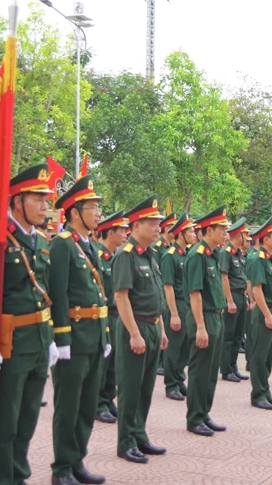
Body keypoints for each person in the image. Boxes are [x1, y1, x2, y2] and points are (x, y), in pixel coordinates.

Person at [0, 164, 59, 485]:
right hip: (6, 345)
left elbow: (44, 293)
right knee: (4, 426)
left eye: (47, 200)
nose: (46, 207)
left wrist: (50, 338)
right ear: (17, 201)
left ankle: (17, 477)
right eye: (38, 199)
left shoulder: (42, 241)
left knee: (27, 421)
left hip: (36, 342)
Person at [47, 174, 110, 485]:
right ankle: (61, 468)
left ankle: (77, 460)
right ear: (74, 212)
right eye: (93, 207)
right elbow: (58, 294)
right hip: (74, 335)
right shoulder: (62, 246)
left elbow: (99, 294)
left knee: (87, 406)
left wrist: (106, 335)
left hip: (95, 336)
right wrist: (61, 337)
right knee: (68, 407)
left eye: (99, 208)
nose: (99, 213)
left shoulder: (89, 245)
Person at [112, 196, 169, 464]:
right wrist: (134, 333)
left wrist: (163, 330)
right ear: (136, 226)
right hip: (135, 328)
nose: (158, 228)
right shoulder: (126, 256)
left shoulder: (151, 255)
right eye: (153, 223)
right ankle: (125, 442)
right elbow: (121, 297)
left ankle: (140, 434)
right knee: (131, 387)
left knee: (146, 388)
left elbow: (156, 296)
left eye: (159, 223)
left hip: (153, 326)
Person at [183, 206, 230, 436]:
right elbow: (195, 293)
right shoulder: (197, 255)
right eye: (221, 229)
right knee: (200, 370)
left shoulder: (214, 254)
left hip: (216, 317)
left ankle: (204, 413)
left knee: (211, 371)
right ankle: (194, 418)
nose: (225, 233)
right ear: (209, 229)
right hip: (204, 319)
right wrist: (200, 326)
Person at [246, 216, 272, 410]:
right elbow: (257, 290)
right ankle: (258, 394)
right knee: (260, 356)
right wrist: (268, 315)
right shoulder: (258, 259)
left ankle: (265, 390)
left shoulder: (270, 259)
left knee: (269, 355)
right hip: (265, 312)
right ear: (265, 239)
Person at [95, 210, 129, 424]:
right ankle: (98, 403)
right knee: (103, 363)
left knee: (115, 363)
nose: (125, 235)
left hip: (118, 316)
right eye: (121, 231)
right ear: (109, 233)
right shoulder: (97, 258)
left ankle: (109, 399)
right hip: (104, 316)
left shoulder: (118, 257)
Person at [161, 213, 196, 401]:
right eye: (190, 231)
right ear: (181, 234)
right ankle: (170, 384)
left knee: (185, 347)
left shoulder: (187, 254)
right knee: (173, 347)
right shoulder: (170, 256)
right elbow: (168, 286)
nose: (194, 233)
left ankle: (179, 378)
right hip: (176, 304)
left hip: (187, 305)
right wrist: (173, 313)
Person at [219, 218, 250, 383]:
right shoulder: (226, 253)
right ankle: (226, 369)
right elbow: (224, 277)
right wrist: (229, 301)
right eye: (245, 234)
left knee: (238, 334)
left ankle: (233, 367)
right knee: (229, 334)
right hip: (231, 295)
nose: (247, 237)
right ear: (239, 235)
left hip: (240, 295)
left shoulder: (239, 253)